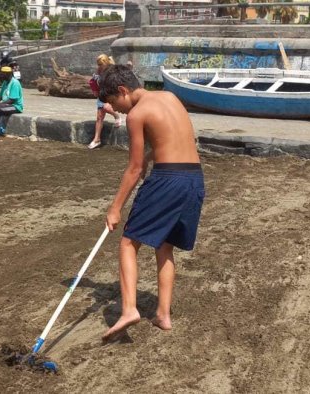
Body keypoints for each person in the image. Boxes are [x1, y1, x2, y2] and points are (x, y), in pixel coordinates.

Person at [97, 65, 205, 341]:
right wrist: (148, 159)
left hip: (167, 180)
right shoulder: (170, 97)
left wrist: (115, 208)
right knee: (164, 245)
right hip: (194, 180)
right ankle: (163, 315)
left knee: (128, 243)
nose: (115, 110)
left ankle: (129, 309)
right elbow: (172, 139)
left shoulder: (136, 114)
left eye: (112, 102)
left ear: (123, 91)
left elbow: (133, 169)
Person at [88, 54, 121, 149]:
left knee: (106, 107)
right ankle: (96, 139)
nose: (99, 67)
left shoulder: (112, 71)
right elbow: (93, 81)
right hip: (101, 95)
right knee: (99, 117)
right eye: (98, 64)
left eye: (101, 64)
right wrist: (94, 89)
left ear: (106, 63)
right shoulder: (98, 71)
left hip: (110, 95)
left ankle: (116, 116)